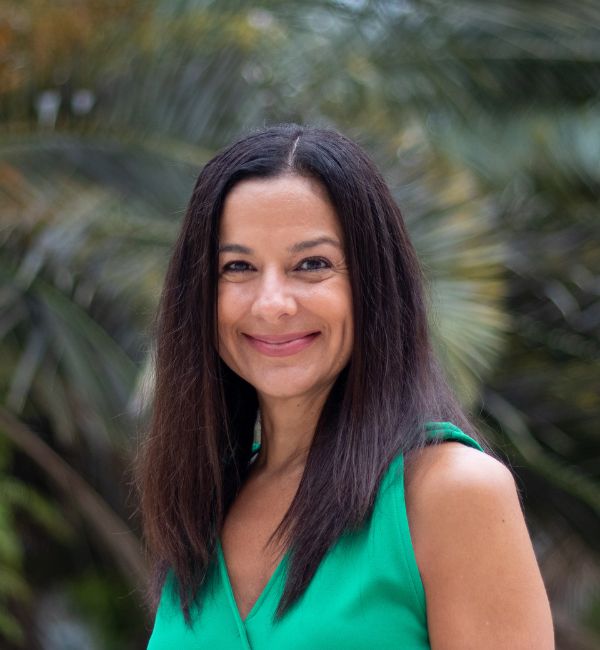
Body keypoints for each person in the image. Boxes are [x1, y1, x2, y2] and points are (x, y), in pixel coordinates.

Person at [139, 124, 554, 649]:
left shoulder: (453, 492)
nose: (272, 303)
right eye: (237, 266)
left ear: (373, 285)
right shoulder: (206, 500)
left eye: (311, 265)